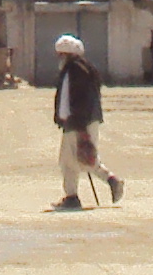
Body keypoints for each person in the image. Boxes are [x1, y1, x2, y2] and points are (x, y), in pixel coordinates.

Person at [49, 33, 123, 207]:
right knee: (84, 158)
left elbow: (71, 99)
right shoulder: (84, 68)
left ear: (65, 54)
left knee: (70, 161)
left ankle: (72, 198)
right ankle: (111, 181)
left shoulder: (73, 71)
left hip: (78, 122)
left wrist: (74, 123)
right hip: (84, 120)